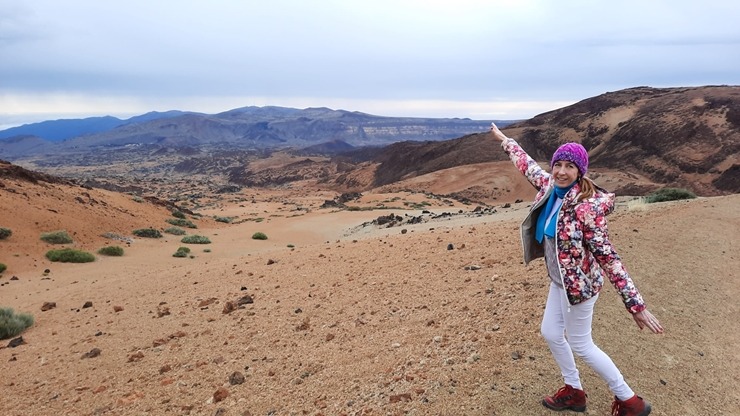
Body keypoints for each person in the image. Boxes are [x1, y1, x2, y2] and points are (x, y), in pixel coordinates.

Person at [489, 122, 663, 416]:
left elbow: (609, 257)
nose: (561, 171)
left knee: (582, 345)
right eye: (558, 164)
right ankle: (574, 392)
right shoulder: (549, 188)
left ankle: (630, 401)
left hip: (579, 288)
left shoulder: (586, 208)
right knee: (550, 333)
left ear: (580, 172)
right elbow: (527, 165)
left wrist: (636, 305)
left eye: (570, 166)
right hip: (559, 282)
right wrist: (506, 140)